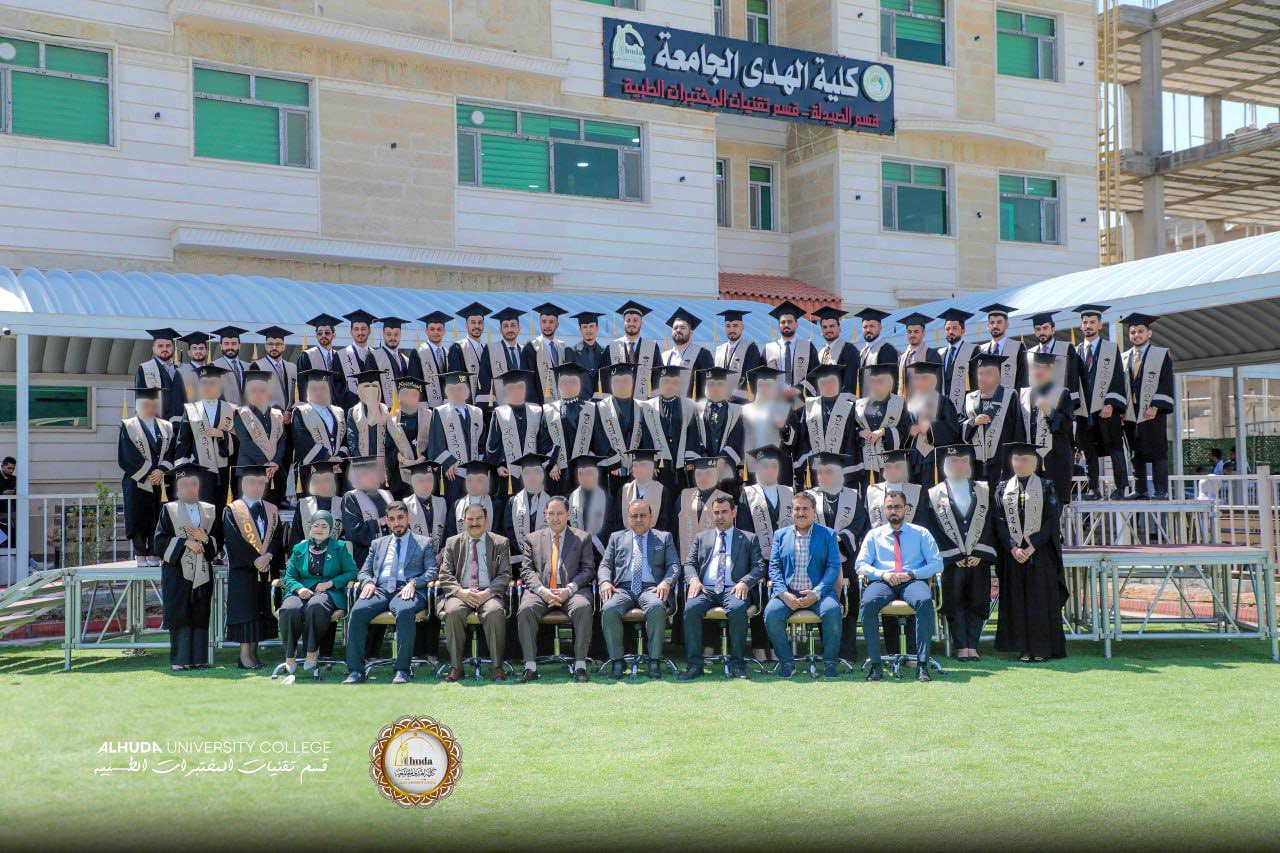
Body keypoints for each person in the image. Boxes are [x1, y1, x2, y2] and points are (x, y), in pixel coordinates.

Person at [855, 489, 944, 682]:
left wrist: (911, 574)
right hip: (883, 581)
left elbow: (937, 564)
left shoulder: (921, 533)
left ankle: (922, 664)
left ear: (906, 509)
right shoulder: (874, 535)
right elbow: (860, 565)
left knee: (924, 601)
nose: (893, 511)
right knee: (868, 604)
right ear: (884, 510)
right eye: (889, 507)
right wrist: (883, 574)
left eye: (897, 507)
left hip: (912, 580)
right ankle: (876, 665)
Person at [343, 502, 436, 684]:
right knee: (357, 612)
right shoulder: (377, 544)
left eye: (400, 518)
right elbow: (364, 571)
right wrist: (368, 582)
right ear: (387, 521)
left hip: (407, 588)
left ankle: (402, 670)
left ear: (408, 518)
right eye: (392, 519)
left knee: (404, 611)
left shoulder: (424, 543)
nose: (397, 523)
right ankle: (355, 671)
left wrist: (414, 583)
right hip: (381, 589)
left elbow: (432, 571)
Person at [679, 494, 765, 680]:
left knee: (737, 609)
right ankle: (694, 665)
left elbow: (759, 567)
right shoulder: (701, 537)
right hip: (706, 588)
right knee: (691, 609)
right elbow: (689, 564)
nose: (720, 516)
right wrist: (694, 580)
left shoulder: (748, 538)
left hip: (734, 588)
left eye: (724, 512)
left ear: (733, 512)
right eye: (716, 513)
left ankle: (738, 664)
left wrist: (745, 582)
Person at [994, 444, 1068, 661]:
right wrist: (1012, 547)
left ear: (1035, 462)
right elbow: (999, 522)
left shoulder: (1047, 487)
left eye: (1025, 459)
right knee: (1017, 601)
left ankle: (1042, 648)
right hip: (1014, 555)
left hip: (1040, 553)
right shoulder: (1002, 488)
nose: (1020, 463)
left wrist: (1032, 546)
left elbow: (1051, 521)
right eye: (1016, 459)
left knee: (1040, 601)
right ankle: (1023, 648)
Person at [927, 445, 996, 662]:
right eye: (954, 461)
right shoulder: (934, 493)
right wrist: (954, 554)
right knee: (954, 601)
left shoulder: (983, 490)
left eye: (964, 461)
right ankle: (960, 645)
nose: (959, 465)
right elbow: (933, 528)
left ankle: (972, 644)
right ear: (945, 465)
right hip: (951, 560)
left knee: (977, 600)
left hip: (978, 558)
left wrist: (979, 552)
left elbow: (991, 523)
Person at [762, 491, 843, 677]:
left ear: (814, 511)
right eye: (797, 509)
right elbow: (774, 568)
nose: (801, 513)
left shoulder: (828, 534)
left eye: (805, 509)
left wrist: (817, 592)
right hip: (788, 594)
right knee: (771, 614)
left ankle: (830, 663)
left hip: (819, 594)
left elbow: (833, 567)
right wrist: (784, 594)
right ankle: (787, 663)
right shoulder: (780, 535)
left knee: (832, 611)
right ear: (791, 511)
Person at [597, 498, 679, 679]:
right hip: (623, 589)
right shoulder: (616, 537)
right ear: (628, 518)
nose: (639, 520)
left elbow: (674, 565)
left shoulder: (664, 537)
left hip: (651, 588)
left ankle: (654, 660)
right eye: (634, 516)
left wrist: (666, 582)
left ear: (651, 517)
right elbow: (605, 565)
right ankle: (617, 661)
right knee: (609, 609)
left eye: (643, 515)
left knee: (656, 607)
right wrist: (605, 582)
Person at [517, 496, 595, 683]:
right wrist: (542, 591)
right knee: (525, 610)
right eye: (551, 513)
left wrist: (569, 589)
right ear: (545, 514)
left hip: (572, 592)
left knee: (583, 607)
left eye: (560, 513)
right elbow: (526, 570)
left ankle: (580, 666)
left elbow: (588, 570)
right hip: (541, 591)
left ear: (568, 515)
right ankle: (530, 667)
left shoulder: (582, 538)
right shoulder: (532, 539)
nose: (555, 518)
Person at [436, 502, 513, 682]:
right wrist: (460, 592)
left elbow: (504, 574)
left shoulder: (500, 542)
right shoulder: (452, 542)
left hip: (489, 592)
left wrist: (487, 593)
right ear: (464, 521)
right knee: (453, 612)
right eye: (470, 519)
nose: (474, 523)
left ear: (486, 520)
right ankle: (456, 667)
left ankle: (497, 666)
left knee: (494, 612)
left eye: (479, 518)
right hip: (461, 592)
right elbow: (445, 574)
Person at [153, 464, 217, 670]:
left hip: (202, 570)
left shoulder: (209, 510)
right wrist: (185, 543)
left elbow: (219, 539)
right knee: (180, 613)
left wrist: (205, 539)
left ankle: (199, 659)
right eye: (185, 485)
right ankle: (180, 661)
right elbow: (159, 541)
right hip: (177, 571)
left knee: (200, 612)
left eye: (193, 484)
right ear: (178, 489)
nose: (190, 489)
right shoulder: (169, 510)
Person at [279, 509, 357, 677]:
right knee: (288, 609)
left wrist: (331, 583)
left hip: (329, 592)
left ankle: (311, 652)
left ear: (331, 529)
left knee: (315, 606)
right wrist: (299, 589)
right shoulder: (299, 548)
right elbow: (289, 576)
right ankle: (290, 655)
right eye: (316, 525)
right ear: (310, 528)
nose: (319, 529)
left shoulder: (340, 547)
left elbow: (352, 572)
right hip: (301, 590)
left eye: (324, 526)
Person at [807, 451, 869, 661]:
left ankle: (848, 650)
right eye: (820, 473)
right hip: (818, 559)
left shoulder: (853, 496)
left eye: (829, 472)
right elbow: (803, 524)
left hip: (846, 557)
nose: (824, 477)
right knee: (823, 601)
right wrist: (826, 540)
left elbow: (860, 524)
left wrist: (839, 538)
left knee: (849, 603)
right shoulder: (810, 497)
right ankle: (828, 649)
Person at [222, 464, 283, 669]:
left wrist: (269, 555)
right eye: (251, 482)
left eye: (260, 483)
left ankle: (254, 653)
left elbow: (277, 536)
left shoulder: (271, 509)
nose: (256, 487)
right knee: (246, 612)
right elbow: (233, 539)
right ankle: (244, 655)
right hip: (244, 570)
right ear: (242, 484)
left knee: (261, 611)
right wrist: (255, 559)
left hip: (266, 569)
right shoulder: (233, 509)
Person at [173, 364, 234, 538]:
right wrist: (182, 471)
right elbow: (183, 441)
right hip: (201, 468)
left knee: (223, 507)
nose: (208, 387)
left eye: (212, 383)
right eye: (204, 383)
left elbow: (240, 440)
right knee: (204, 508)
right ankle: (205, 543)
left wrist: (223, 434)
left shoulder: (231, 409)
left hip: (225, 469)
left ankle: (220, 544)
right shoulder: (191, 409)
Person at [119, 387, 175, 566]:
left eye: (153, 405)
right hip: (137, 480)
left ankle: (154, 552)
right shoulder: (129, 426)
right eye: (146, 405)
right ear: (137, 406)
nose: (150, 408)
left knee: (157, 516)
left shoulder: (166, 426)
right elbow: (127, 455)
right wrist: (151, 473)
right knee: (138, 516)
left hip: (161, 480)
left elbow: (172, 451)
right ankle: (140, 552)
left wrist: (161, 470)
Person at [1121, 312, 1175, 499]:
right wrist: (1121, 409)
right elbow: (1120, 385)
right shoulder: (1124, 357)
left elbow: (1165, 382)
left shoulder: (1161, 355)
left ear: (1149, 333)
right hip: (1130, 412)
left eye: (1140, 331)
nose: (1136, 335)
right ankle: (1140, 489)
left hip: (1152, 411)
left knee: (1158, 450)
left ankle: (1161, 490)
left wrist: (1156, 406)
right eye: (1133, 332)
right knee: (1135, 451)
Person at [641, 364, 701, 513]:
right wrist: (650, 461)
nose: (670, 385)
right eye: (666, 381)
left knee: (682, 504)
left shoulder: (689, 405)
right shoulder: (648, 407)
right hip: (660, 465)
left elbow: (693, 433)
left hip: (682, 465)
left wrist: (690, 459)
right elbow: (646, 435)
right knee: (660, 503)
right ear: (659, 383)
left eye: (674, 382)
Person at [962, 352, 1025, 493]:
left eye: (989, 373)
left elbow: (1018, 429)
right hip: (976, 463)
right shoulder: (970, 398)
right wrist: (973, 422)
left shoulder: (1009, 396)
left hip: (1003, 461)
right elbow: (960, 425)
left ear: (998, 376)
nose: (983, 377)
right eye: (980, 373)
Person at [1020, 352, 1076, 505]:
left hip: (1054, 460)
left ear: (1051, 370)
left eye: (1043, 367)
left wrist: (1049, 411)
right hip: (1030, 462)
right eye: (1035, 367)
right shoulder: (1023, 394)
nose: (1038, 371)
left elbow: (1065, 425)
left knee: (1053, 505)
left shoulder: (1062, 393)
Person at [485, 369, 551, 493]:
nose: (516, 391)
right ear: (505, 390)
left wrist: (544, 464)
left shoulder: (537, 411)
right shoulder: (499, 413)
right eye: (511, 388)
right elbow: (492, 445)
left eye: (520, 387)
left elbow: (543, 442)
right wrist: (498, 466)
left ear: (525, 388)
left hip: (534, 471)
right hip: (509, 473)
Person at [592, 363, 654, 497]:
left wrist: (639, 464)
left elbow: (646, 439)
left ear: (633, 383)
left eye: (626, 381)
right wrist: (614, 463)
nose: (621, 385)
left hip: (635, 471)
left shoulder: (642, 407)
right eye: (617, 381)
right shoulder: (600, 408)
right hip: (610, 470)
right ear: (610, 383)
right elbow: (599, 438)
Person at [427, 370, 486, 507]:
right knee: (455, 506)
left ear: (466, 392)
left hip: (473, 471)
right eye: (452, 390)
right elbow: (436, 443)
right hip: (453, 472)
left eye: (460, 389)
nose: (456, 393)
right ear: (447, 392)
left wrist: (480, 464)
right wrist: (447, 463)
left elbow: (482, 440)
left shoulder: (476, 412)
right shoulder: (441, 412)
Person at [795, 363, 857, 486]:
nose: (828, 386)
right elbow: (803, 438)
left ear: (840, 383)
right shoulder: (809, 406)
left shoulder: (850, 406)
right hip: (817, 469)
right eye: (823, 383)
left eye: (832, 381)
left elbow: (852, 439)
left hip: (843, 468)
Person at [233, 368, 287, 505]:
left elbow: (282, 440)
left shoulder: (277, 414)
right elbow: (245, 442)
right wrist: (266, 464)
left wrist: (275, 462)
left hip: (274, 471)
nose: (258, 394)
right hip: (250, 470)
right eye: (254, 390)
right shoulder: (241, 413)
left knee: (271, 510)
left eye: (262, 390)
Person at [904, 361, 961, 487]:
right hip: (914, 458)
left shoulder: (944, 402)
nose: (919, 382)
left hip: (935, 458)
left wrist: (930, 427)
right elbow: (904, 429)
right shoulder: (909, 404)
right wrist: (909, 431)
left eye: (924, 378)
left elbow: (953, 431)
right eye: (916, 379)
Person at [854, 362, 912, 485]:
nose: (875, 386)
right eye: (872, 382)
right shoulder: (859, 405)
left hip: (891, 462)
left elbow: (906, 431)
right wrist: (859, 432)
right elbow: (850, 429)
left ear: (890, 383)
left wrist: (884, 432)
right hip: (866, 461)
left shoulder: (900, 403)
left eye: (880, 382)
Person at [291, 369, 347, 496]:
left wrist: (340, 456)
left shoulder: (338, 411)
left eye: (322, 388)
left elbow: (344, 438)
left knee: (335, 504)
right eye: (314, 389)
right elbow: (302, 440)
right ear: (308, 391)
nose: (319, 392)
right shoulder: (301, 412)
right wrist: (327, 458)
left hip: (337, 469)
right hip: (312, 470)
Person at [544, 362, 596, 496]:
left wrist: (590, 462)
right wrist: (551, 463)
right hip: (559, 470)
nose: (569, 386)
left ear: (580, 384)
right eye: (564, 382)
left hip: (584, 469)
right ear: (558, 385)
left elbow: (597, 441)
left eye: (573, 382)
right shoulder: (549, 410)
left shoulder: (591, 409)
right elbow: (544, 442)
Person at [741, 366, 798, 485]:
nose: (764, 389)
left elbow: (796, 442)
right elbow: (739, 441)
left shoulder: (785, 408)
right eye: (761, 385)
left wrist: (784, 427)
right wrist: (740, 466)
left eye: (768, 385)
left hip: (780, 470)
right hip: (753, 469)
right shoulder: (745, 410)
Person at [761, 301, 817, 408]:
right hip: (775, 403)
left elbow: (814, 375)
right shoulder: (768, 349)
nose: (786, 325)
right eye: (783, 322)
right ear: (779, 325)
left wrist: (797, 389)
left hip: (802, 403)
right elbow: (762, 376)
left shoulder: (808, 347)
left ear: (796, 324)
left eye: (790, 322)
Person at [341, 456, 393, 569]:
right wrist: (382, 522)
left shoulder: (386, 494)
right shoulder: (351, 497)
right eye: (365, 474)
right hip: (365, 558)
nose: (371, 477)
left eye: (374, 472)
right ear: (356, 478)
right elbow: (354, 532)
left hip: (391, 555)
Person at [502, 453, 551, 570]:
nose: (532, 477)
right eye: (527, 473)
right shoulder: (513, 502)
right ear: (522, 476)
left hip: (547, 560)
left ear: (543, 475)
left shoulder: (552, 501)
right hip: (520, 562)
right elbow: (509, 531)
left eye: (536, 472)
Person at [1028, 312, 1083, 415]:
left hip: (1062, 403)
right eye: (1038, 329)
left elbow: (1073, 376)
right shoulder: (1030, 353)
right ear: (1035, 332)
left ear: (1053, 329)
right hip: (1039, 406)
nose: (1042, 332)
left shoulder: (1066, 348)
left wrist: (1073, 403)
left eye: (1045, 328)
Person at [694, 367, 745, 479]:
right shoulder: (696, 410)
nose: (715, 388)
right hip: (702, 469)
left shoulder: (737, 410)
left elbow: (737, 438)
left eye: (720, 384)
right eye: (711, 384)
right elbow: (693, 438)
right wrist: (705, 459)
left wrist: (723, 459)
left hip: (727, 469)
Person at [676, 458, 731, 561]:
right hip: (686, 557)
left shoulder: (727, 499)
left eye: (708, 473)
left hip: (716, 559)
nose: (703, 478)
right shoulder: (684, 496)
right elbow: (675, 527)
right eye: (699, 474)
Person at [387, 375, 433, 498]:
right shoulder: (390, 419)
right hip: (399, 474)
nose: (409, 398)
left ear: (419, 396)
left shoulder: (430, 416)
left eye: (413, 394)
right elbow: (388, 446)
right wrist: (403, 460)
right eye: (405, 394)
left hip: (424, 469)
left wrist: (421, 459)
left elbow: (435, 442)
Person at [607, 301, 661, 400]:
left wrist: (654, 402)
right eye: (628, 320)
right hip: (617, 403)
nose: (631, 323)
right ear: (623, 322)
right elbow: (605, 378)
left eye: (635, 320)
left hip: (644, 403)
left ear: (641, 323)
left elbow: (658, 378)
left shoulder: (652, 347)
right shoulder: (612, 347)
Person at [659, 307, 714, 400]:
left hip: (691, 407)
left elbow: (708, 388)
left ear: (691, 331)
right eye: (675, 328)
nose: (678, 330)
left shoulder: (702, 354)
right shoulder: (664, 356)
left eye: (682, 327)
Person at [447, 302, 494, 408]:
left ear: (483, 325)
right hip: (467, 406)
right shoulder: (458, 348)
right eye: (473, 322)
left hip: (487, 406)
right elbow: (456, 381)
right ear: (466, 325)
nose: (477, 326)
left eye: (480, 323)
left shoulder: (488, 350)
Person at [134, 327, 187, 422]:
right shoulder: (145, 368)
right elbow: (140, 400)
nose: (165, 349)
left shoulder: (184, 368)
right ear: (153, 348)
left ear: (173, 347)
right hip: (157, 423)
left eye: (168, 346)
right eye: (160, 346)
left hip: (180, 423)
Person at [344, 369, 391, 473]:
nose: (371, 389)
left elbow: (390, 437)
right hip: (362, 462)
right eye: (366, 386)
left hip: (382, 462)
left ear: (379, 389)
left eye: (374, 386)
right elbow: (352, 438)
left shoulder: (385, 410)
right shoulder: (353, 411)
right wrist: (361, 461)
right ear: (360, 390)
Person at [567, 454, 613, 561]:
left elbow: (611, 526)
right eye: (581, 474)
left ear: (596, 475)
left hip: (600, 551)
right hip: (577, 550)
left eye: (589, 474)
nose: (584, 478)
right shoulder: (572, 498)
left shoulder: (607, 498)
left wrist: (592, 545)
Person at [522, 302, 569, 406]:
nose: (547, 325)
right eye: (544, 321)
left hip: (561, 405)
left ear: (557, 325)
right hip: (540, 405)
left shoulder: (563, 348)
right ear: (539, 323)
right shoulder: (531, 348)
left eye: (551, 322)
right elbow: (527, 381)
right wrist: (535, 407)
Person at [713, 308, 761, 404]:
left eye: (735, 325)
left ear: (742, 327)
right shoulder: (719, 350)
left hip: (741, 404)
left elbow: (750, 379)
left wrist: (731, 398)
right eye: (728, 326)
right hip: (720, 403)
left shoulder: (750, 347)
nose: (731, 329)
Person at [291, 461, 345, 548]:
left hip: (335, 553)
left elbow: (347, 536)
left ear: (332, 481)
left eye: (326, 480)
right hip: (308, 553)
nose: (321, 484)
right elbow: (296, 537)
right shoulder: (303, 504)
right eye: (317, 480)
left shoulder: (342, 503)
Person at [295, 314, 345, 405]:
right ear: (316, 335)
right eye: (320, 333)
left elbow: (343, 385)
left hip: (337, 408)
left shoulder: (340, 357)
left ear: (334, 335)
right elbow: (303, 386)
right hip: (315, 407)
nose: (323, 336)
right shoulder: (307, 356)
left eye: (327, 333)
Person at [936, 307, 978, 413]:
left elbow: (976, 381)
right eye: (947, 329)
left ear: (963, 330)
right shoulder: (939, 354)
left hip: (964, 406)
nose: (950, 331)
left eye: (954, 328)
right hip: (942, 407)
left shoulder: (973, 350)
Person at [813, 306, 860, 398]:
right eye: (825, 327)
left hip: (842, 403)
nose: (828, 330)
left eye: (832, 326)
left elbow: (850, 385)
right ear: (821, 331)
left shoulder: (850, 350)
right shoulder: (821, 353)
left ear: (839, 328)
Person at [335, 309, 377, 408]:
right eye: (356, 329)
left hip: (374, 409)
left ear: (369, 331)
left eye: (363, 329)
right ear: (351, 332)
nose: (360, 332)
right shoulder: (340, 356)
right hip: (350, 409)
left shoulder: (377, 356)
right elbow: (336, 386)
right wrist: (355, 401)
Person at [979, 304, 1027, 389]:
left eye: (999, 322)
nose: (995, 326)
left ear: (1006, 325)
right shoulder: (981, 350)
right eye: (992, 322)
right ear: (988, 326)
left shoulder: (1018, 348)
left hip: (1010, 396)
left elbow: (1023, 378)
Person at [251, 326, 298, 411]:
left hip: (290, 416)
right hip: (268, 416)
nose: (274, 348)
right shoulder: (257, 366)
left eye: (278, 344)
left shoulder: (293, 368)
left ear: (284, 347)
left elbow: (296, 395)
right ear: (265, 346)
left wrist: (290, 413)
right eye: (270, 344)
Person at [368, 316, 413, 406]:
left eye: (396, 334)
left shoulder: (405, 360)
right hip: (383, 409)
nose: (392, 337)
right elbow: (371, 387)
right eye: (389, 334)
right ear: (383, 334)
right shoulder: (373, 356)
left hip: (402, 408)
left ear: (400, 335)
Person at [450, 460, 500, 539]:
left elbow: (500, 534)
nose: (473, 484)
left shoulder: (496, 505)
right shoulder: (457, 505)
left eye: (479, 480)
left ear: (486, 482)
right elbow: (450, 534)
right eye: (470, 480)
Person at [855, 307, 899, 395]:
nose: (868, 330)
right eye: (865, 327)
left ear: (880, 327)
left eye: (872, 326)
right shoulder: (862, 352)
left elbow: (891, 385)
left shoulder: (887, 350)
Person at [414, 311, 453, 408]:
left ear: (444, 332)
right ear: (426, 331)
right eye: (432, 329)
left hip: (447, 406)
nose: (436, 332)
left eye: (439, 329)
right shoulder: (418, 352)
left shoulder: (448, 354)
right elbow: (415, 383)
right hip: (427, 407)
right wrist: (423, 408)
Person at [568, 310, 608, 402]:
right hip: (580, 403)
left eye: (591, 326)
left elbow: (607, 380)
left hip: (601, 403)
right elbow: (569, 381)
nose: (588, 330)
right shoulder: (571, 352)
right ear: (580, 330)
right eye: (585, 327)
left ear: (597, 328)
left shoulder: (605, 352)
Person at [896, 311, 941, 391]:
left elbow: (937, 385)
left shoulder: (932, 355)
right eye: (909, 332)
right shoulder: (902, 358)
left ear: (923, 333)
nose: (912, 335)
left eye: (916, 332)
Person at [211, 325, 250, 406]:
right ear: (221, 346)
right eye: (226, 344)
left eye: (234, 344)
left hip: (247, 412)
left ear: (239, 345)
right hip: (225, 412)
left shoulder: (249, 367)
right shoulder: (213, 367)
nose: (230, 347)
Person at [175, 331, 213, 400]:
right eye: (194, 348)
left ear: (207, 351)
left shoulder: (214, 372)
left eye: (201, 348)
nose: (198, 351)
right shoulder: (180, 372)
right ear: (189, 352)